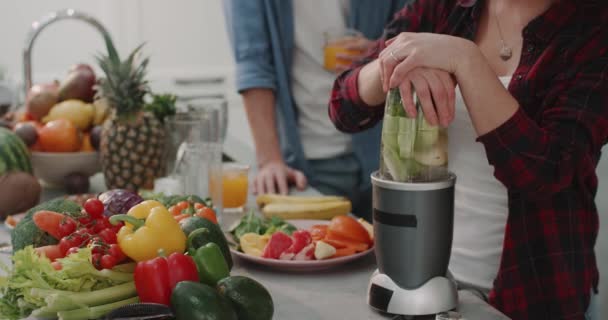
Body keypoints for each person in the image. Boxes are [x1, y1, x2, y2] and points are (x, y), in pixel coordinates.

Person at [329, 0, 606, 319]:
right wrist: (395, 60)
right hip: (418, 285)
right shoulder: (444, 6)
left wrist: (465, 59)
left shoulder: (595, 31)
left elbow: (545, 173)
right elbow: (343, 108)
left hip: (530, 295)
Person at [223, 0, 407, 220]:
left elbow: (414, 29)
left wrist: (379, 52)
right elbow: (253, 64)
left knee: (392, 252)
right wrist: (270, 160)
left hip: (384, 153)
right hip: (308, 163)